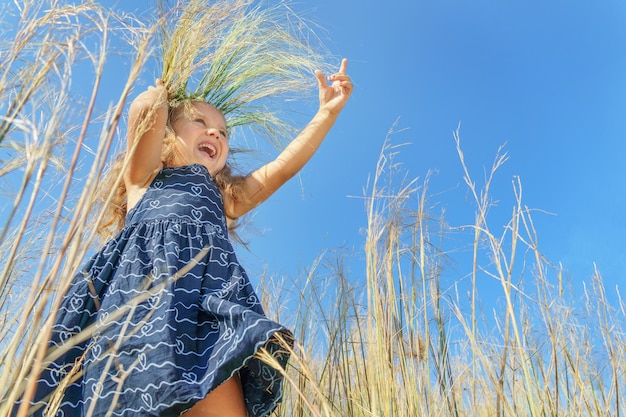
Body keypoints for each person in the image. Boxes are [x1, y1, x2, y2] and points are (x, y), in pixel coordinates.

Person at [15, 59, 352, 417]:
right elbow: (144, 118)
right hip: (144, 300)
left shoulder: (227, 197)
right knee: (133, 397)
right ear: (166, 136)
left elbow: (282, 168)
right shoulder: (144, 177)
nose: (216, 134)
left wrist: (326, 114)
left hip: (207, 308)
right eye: (200, 122)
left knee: (220, 395)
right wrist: (158, 97)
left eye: (223, 132)